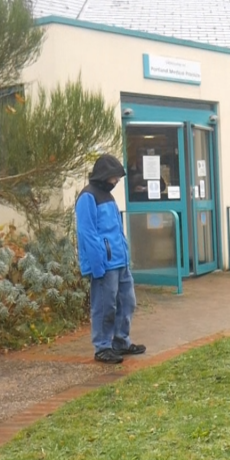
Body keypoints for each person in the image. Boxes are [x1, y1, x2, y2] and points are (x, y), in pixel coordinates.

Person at [75, 154, 147, 364]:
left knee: (127, 302)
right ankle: (102, 347)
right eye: (115, 177)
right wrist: (98, 266)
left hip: (119, 261)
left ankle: (120, 341)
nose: (116, 181)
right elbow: (87, 233)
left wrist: (124, 255)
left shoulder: (107, 195)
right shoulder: (88, 197)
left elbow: (116, 228)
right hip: (105, 264)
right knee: (105, 306)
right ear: (105, 175)